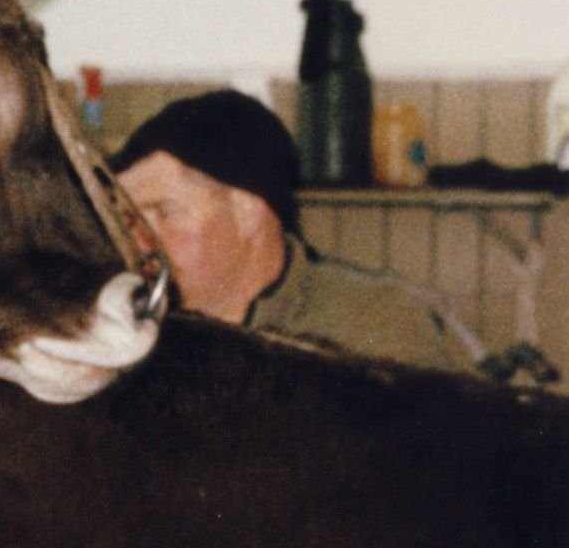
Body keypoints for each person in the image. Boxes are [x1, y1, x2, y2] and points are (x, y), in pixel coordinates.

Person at [112, 89, 477, 371]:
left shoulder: (372, 328)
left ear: (249, 212)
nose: (139, 242)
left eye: (164, 212)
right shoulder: (126, 331)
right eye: (129, 221)